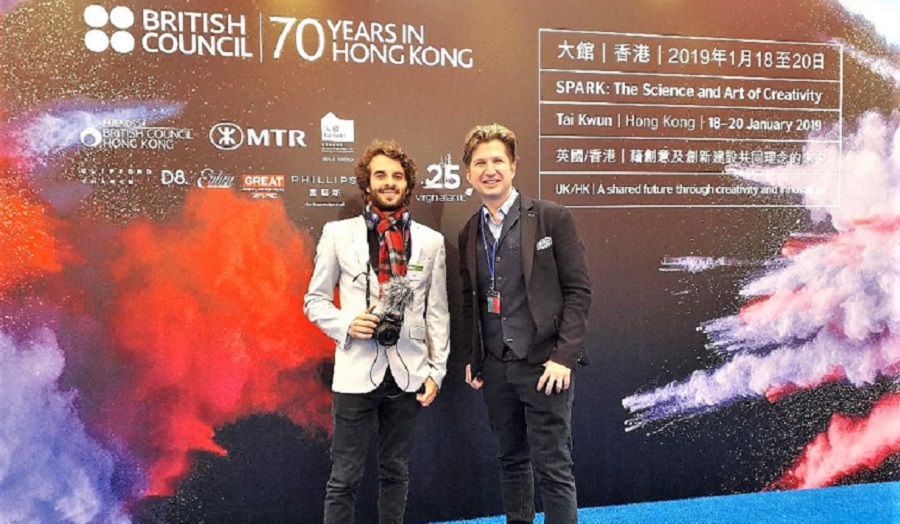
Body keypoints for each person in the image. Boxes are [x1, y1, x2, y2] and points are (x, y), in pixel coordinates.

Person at [304, 139, 450, 524]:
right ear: (367, 185)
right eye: (380, 175)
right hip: (354, 372)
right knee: (344, 478)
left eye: (397, 176)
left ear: (408, 185)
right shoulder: (338, 234)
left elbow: (437, 312)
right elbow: (314, 301)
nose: (389, 182)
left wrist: (437, 371)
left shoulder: (431, 242)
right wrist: (346, 324)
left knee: (395, 471)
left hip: (408, 374)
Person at [458, 124, 591, 523]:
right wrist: (475, 357)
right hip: (496, 368)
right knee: (512, 462)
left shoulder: (551, 218)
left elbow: (578, 292)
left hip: (545, 365)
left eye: (498, 160)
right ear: (468, 174)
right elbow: (470, 301)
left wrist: (564, 358)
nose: (490, 169)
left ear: (513, 166)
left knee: (553, 467)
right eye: (480, 162)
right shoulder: (469, 231)